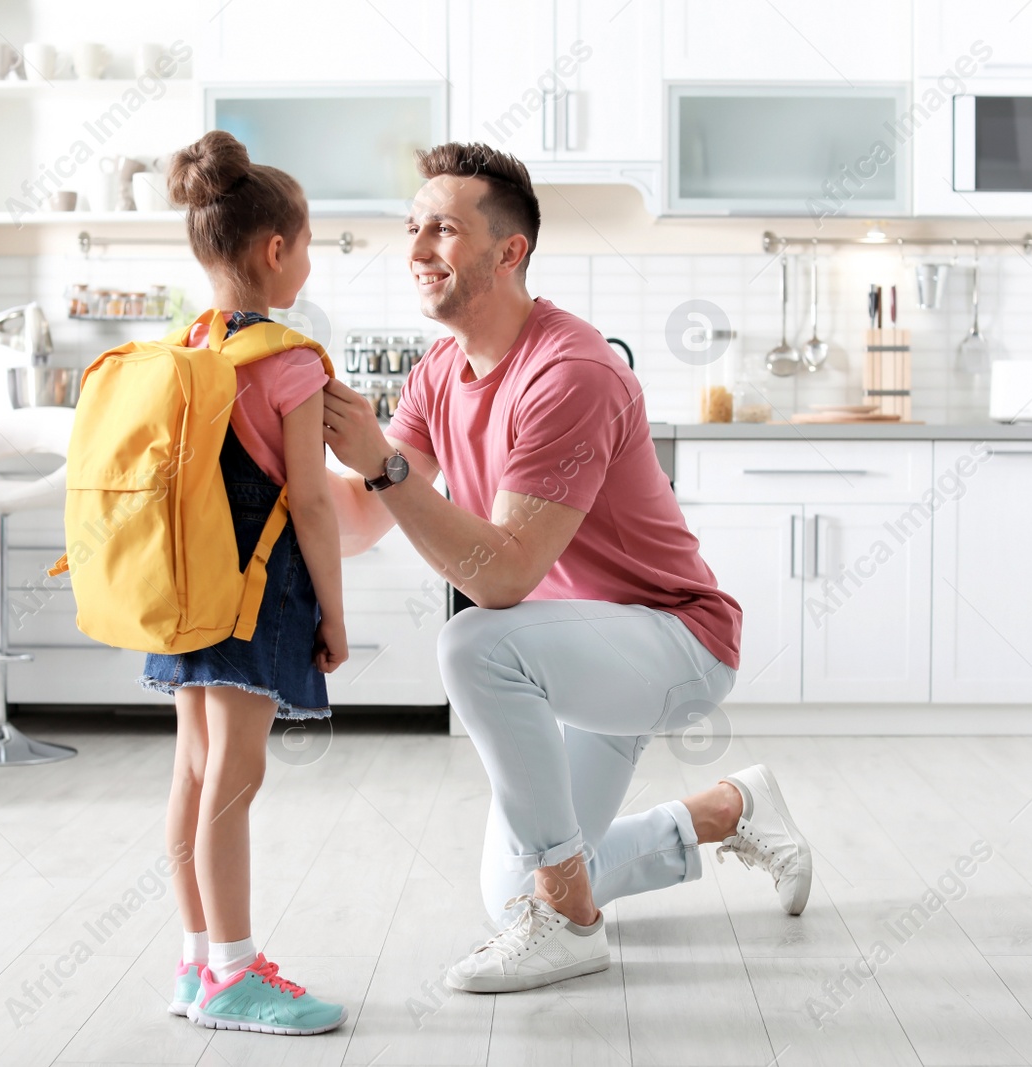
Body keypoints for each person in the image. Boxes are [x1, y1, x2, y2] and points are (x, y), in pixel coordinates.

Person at [321, 142, 815, 994]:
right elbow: (362, 517)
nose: (415, 250)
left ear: (509, 250)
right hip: (572, 654)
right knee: (501, 891)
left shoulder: (571, 372)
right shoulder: (441, 370)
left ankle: (569, 921)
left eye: (441, 229)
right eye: (411, 229)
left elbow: (502, 578)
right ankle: (731, 808)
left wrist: (386, 464)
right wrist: (265, 490)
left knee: (474, 642)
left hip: (674, 642)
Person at [138, 130, 347, 1034]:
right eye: (307, 244)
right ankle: (233, 977)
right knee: (235, 777)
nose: (308, 260)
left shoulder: (189, 344)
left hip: (185, 586)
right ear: (275, 249)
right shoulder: (290, 361)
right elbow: (312, 503)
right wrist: (335, 615)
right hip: (259, 598)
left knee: (192, 771)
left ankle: (196, 960)